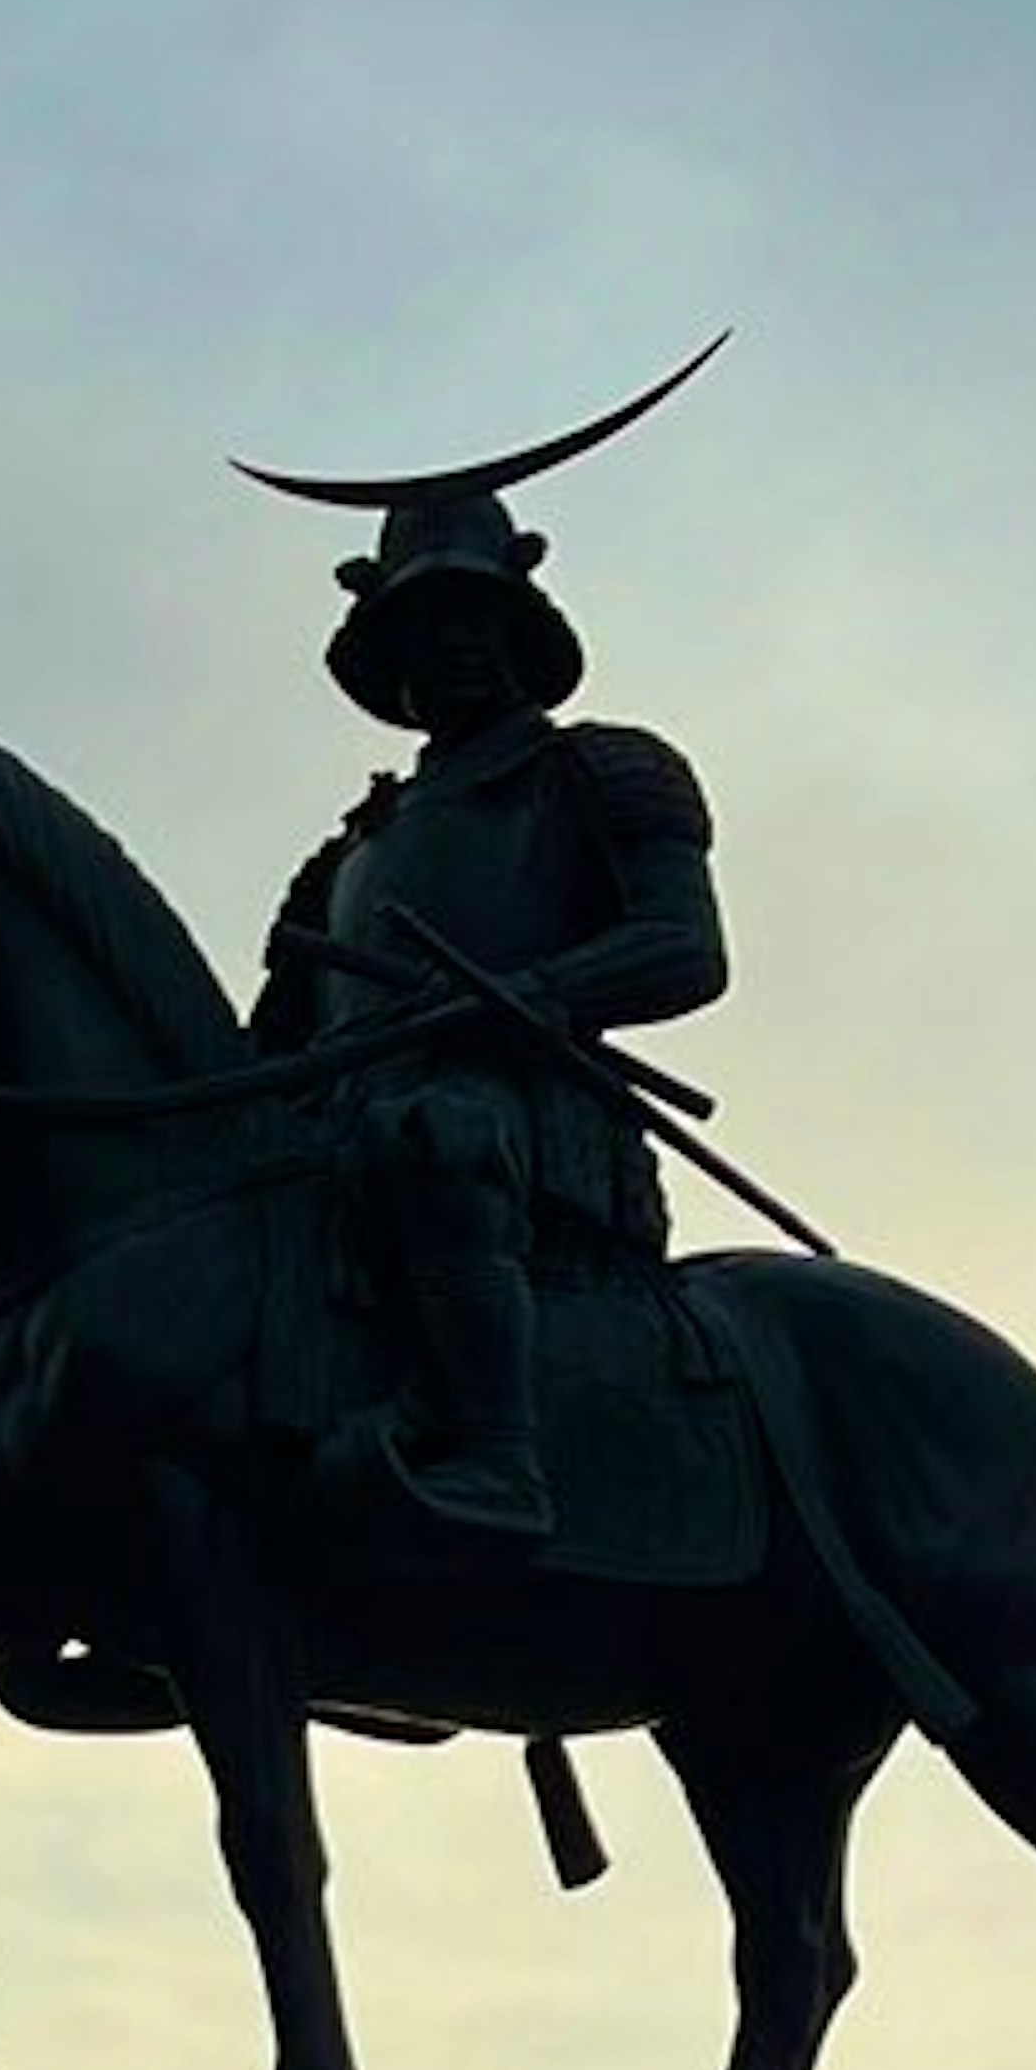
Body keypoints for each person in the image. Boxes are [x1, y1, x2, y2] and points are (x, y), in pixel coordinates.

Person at [246, 420, 726, 1542]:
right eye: (426, 624)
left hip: (518, 1121)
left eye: (479, 619)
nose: (457, 645)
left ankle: (499, 1459)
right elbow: (270, 1048)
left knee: (437, 1130)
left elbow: (684, 946)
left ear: (522, 632)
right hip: (345, 1123)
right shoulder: (345, 857)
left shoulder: (602, 771)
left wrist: (529, 996)